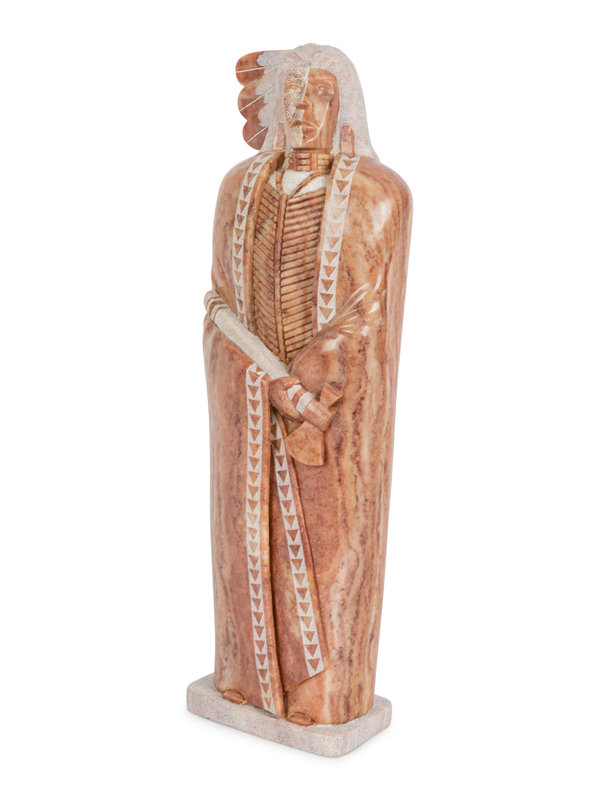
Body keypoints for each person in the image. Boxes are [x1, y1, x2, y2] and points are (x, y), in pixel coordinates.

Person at [203, 43, 412, 725]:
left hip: (327, 411)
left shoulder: (377, 196)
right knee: (243, 531)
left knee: (332, 543)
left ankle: (324, 694)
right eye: (291, 94)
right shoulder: (240, 190)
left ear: (343, 107)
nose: (303, 108)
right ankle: (244, 674)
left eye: (319, 93)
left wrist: (311, 383)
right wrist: (263, 383)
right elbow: (219, 306)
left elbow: (368, 314)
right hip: (251, 405)